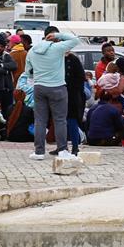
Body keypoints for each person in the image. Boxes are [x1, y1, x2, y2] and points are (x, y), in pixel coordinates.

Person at [24, 26, 81, 160]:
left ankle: (39, 152)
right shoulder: (58, 48)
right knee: (60, 120)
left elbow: (28, 72)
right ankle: (62, 150)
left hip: (39, 87)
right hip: (58, 87)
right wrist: (58, 35)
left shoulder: (32, 51)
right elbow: (75, 40)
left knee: (40, 120)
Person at [60, 51, 86, 155]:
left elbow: (80, 78)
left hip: (71, 95)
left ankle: (73, 147)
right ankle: (64, 146)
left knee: (70, 121)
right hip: (66, 93)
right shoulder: (59, 58)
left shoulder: (72, 59)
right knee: (63, 121)